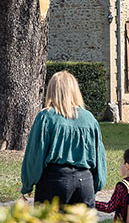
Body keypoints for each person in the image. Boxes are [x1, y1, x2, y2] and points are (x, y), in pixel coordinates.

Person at [20, 71, 107, 207]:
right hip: (84, 181)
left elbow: (35, 154)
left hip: (54, 180)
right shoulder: (89, 118)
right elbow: (99, 157)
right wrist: (96, 184)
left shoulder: (46, 117)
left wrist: (28, 184)